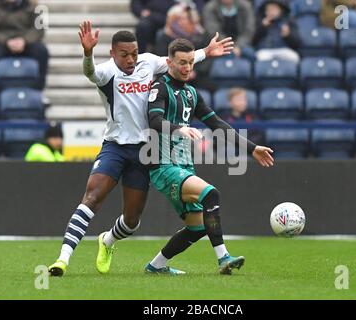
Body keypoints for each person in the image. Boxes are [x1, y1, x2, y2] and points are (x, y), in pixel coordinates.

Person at [47, 21, 234, 276]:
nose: (131, 59)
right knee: (91, 199)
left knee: (132, 222)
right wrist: (88, 53)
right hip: (115, 147)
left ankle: (108, 240)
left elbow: (176, 61)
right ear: (113, 53)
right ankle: (62, 260)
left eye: (134, 53)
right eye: (124, 55)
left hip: (144, 151)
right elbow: (89, 72)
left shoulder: (147, 62)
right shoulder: (106, 72)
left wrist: (205, 52)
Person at [143, 39, 274, 275]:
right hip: (162, 165)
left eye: (191, 62)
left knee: (198, 227)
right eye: (182, 62)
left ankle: (156, 265)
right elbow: (154, 120)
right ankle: (223, 258)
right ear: (169, 62)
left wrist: (252, 148)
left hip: (184, 166)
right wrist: (178, 128)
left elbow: (217, 124)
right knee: (210, 194)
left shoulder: (192, 93)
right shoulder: (159, 87)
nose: (187, 67)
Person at [0, 0, 49, 89]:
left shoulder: (34, 6)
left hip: (25, 42)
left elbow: (40, 29)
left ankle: (39, 89)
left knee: (41, 51)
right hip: (2, 43)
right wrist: (5, 41)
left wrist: (25, 41)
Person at [153, 3, 215, 91]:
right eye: (179, 19)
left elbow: (208, 59)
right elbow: (162, 61)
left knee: (211, 86)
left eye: (184, 19)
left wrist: (195, 72)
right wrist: (179, 71)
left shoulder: (202, 36)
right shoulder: (165, 37)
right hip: (173, 75)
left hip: (197, 75)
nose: (180, 22)